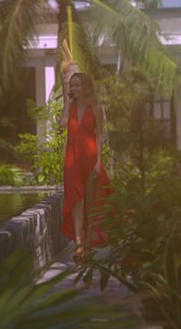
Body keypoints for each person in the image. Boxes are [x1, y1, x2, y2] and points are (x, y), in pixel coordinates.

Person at [59, 71, 113, 263]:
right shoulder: (70, 107)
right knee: (76, 201)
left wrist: (99, 162)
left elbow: (99, 136)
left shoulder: (96, 109)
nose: (74, 88)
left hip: (90, 159)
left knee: (90, 203)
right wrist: (66, 103)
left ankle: (88, 245)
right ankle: (79, 244)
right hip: (72, 159)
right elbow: (62, 124)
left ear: (85, 87)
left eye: (77, 85)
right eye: (72, 85)